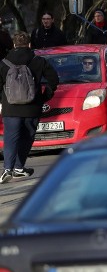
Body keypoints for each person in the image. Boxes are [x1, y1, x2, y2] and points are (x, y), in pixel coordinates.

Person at [0, 31, 59, 182]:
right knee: (27, 137)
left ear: (13, 45)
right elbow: (53, 78)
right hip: (32, 106)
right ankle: (19, 167)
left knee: (10, 137)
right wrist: (45, 96)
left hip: (10, 107)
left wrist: (2, 101)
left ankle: (7, 169)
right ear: (30, 44)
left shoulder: (4, 62)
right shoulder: (38, 60)